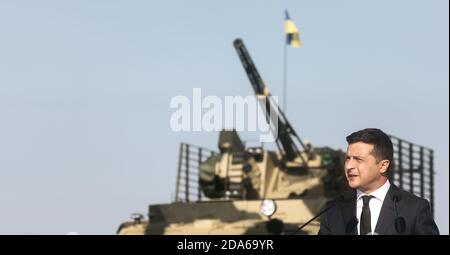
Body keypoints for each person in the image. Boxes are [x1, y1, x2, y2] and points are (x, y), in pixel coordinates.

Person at [318, 128, 439, 235]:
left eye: (358, 159)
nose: (349, 166)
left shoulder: (414, 209)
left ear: (383, 166)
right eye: (347, 159)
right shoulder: (333, 211)